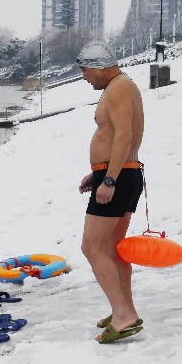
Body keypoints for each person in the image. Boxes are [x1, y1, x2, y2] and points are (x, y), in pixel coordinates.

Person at [75, 40, 146, 344]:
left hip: (119, 178)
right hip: (124, 174)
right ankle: (126, 309)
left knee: (92, 247)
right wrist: (100, 173)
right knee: (114, 249)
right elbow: (118, 137)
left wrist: (109, 180)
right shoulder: (121, 85)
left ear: (99, 65)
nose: (84, 76)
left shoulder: (118, 87)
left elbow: (124, 135)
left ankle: (122, 314)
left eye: (85, 70)